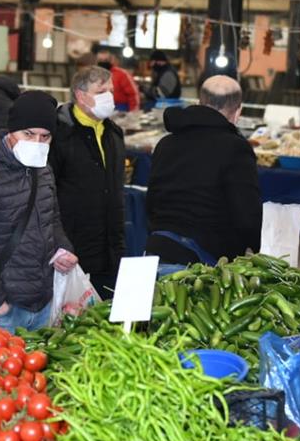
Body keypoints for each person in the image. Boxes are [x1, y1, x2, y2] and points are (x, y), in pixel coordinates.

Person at [0, 91, 77, 332]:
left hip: (42, 303)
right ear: (11, 130)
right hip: (3, 309)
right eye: (28, 134)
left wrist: (63, 249)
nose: (37, 143)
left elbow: (51, 219)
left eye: (45, 136)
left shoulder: (43, 169)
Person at [145, 75, 261, 267]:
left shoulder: (166, 143)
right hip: (202, 264)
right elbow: (247, 214)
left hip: (157, 250)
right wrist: (262, 249)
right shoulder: (236, 148)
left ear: (200, 102)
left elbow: (151, 201)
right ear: (238, 111)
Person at [49, 66, 126, 297]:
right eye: (101, 91)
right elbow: (47, 192)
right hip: (72, 248)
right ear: (81, 95)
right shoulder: (60, 134)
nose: (109, 97)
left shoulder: (114, 134)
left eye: (110, 91)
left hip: (110, 247)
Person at [95, 48, 140, 112]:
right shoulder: (92, 75)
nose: (103, 62)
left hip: (120, 108)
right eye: (100, 60)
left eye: (106, 60)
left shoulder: (122, 74)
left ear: (111, 60)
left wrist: (134, 111)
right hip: (99, 107)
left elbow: (133, 93)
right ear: (96, 61)